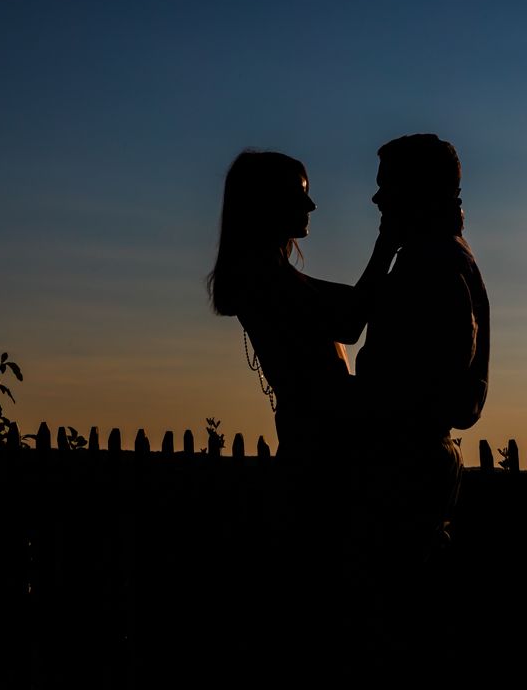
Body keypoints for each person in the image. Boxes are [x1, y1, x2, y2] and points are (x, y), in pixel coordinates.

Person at [206, 148, 398, 665]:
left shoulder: (266, 277)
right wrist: (389, 239)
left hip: (318, 455)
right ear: (266, 204)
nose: (311, 209)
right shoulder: (263, 279)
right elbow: (351, 319)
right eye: (300, 195)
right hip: (321, 465)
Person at [352, 132, 490, 674]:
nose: (377, 200)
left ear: (418, 192)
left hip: (406, 476)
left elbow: (440, 391)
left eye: (388, 188)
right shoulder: (434, 258)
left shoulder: (433, 266)